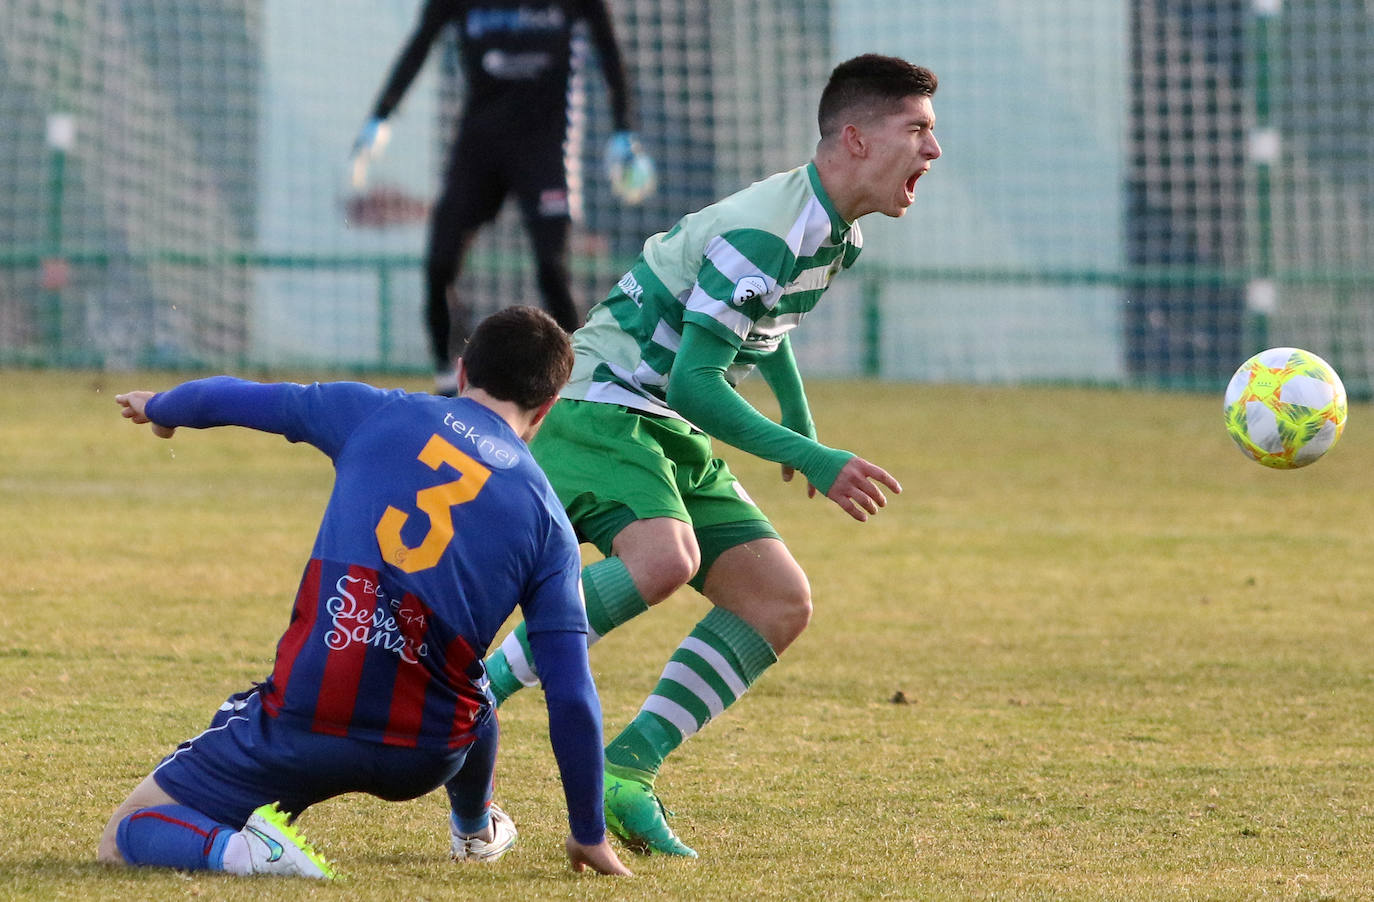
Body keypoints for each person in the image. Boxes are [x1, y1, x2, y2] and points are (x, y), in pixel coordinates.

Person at [481, 54, 942, 858]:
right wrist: (817, 456)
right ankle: (476, 693)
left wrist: (799, 419)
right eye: (919, 131)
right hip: (600, 404)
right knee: (663, 560)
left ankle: (627, 772)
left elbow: (760, 333)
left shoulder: (837, 233)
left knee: (777, 602)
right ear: (858, 139)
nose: (932, 152)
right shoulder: (767, 232)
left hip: (658, 419)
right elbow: (697, 381)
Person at [96, 306, 631, 879]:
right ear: (545, 410)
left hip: (306, 719)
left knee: (128, 832)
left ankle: (249, 853)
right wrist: (588, 833)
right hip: (424, 754)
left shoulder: (375, 411)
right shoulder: (549, 522)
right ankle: (475, 828)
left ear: (461, 369)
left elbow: (241, 398)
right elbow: (572, 693)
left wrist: (162, 406)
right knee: (472, 683)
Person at [350, 0, 653, 397]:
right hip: (479, 148)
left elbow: (610, 52)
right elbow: (419, 45)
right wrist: (382, 115)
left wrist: (623, 130)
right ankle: (448, 381)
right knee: (440, 264)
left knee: (552, 269)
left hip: (545, 149)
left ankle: (579, 385)